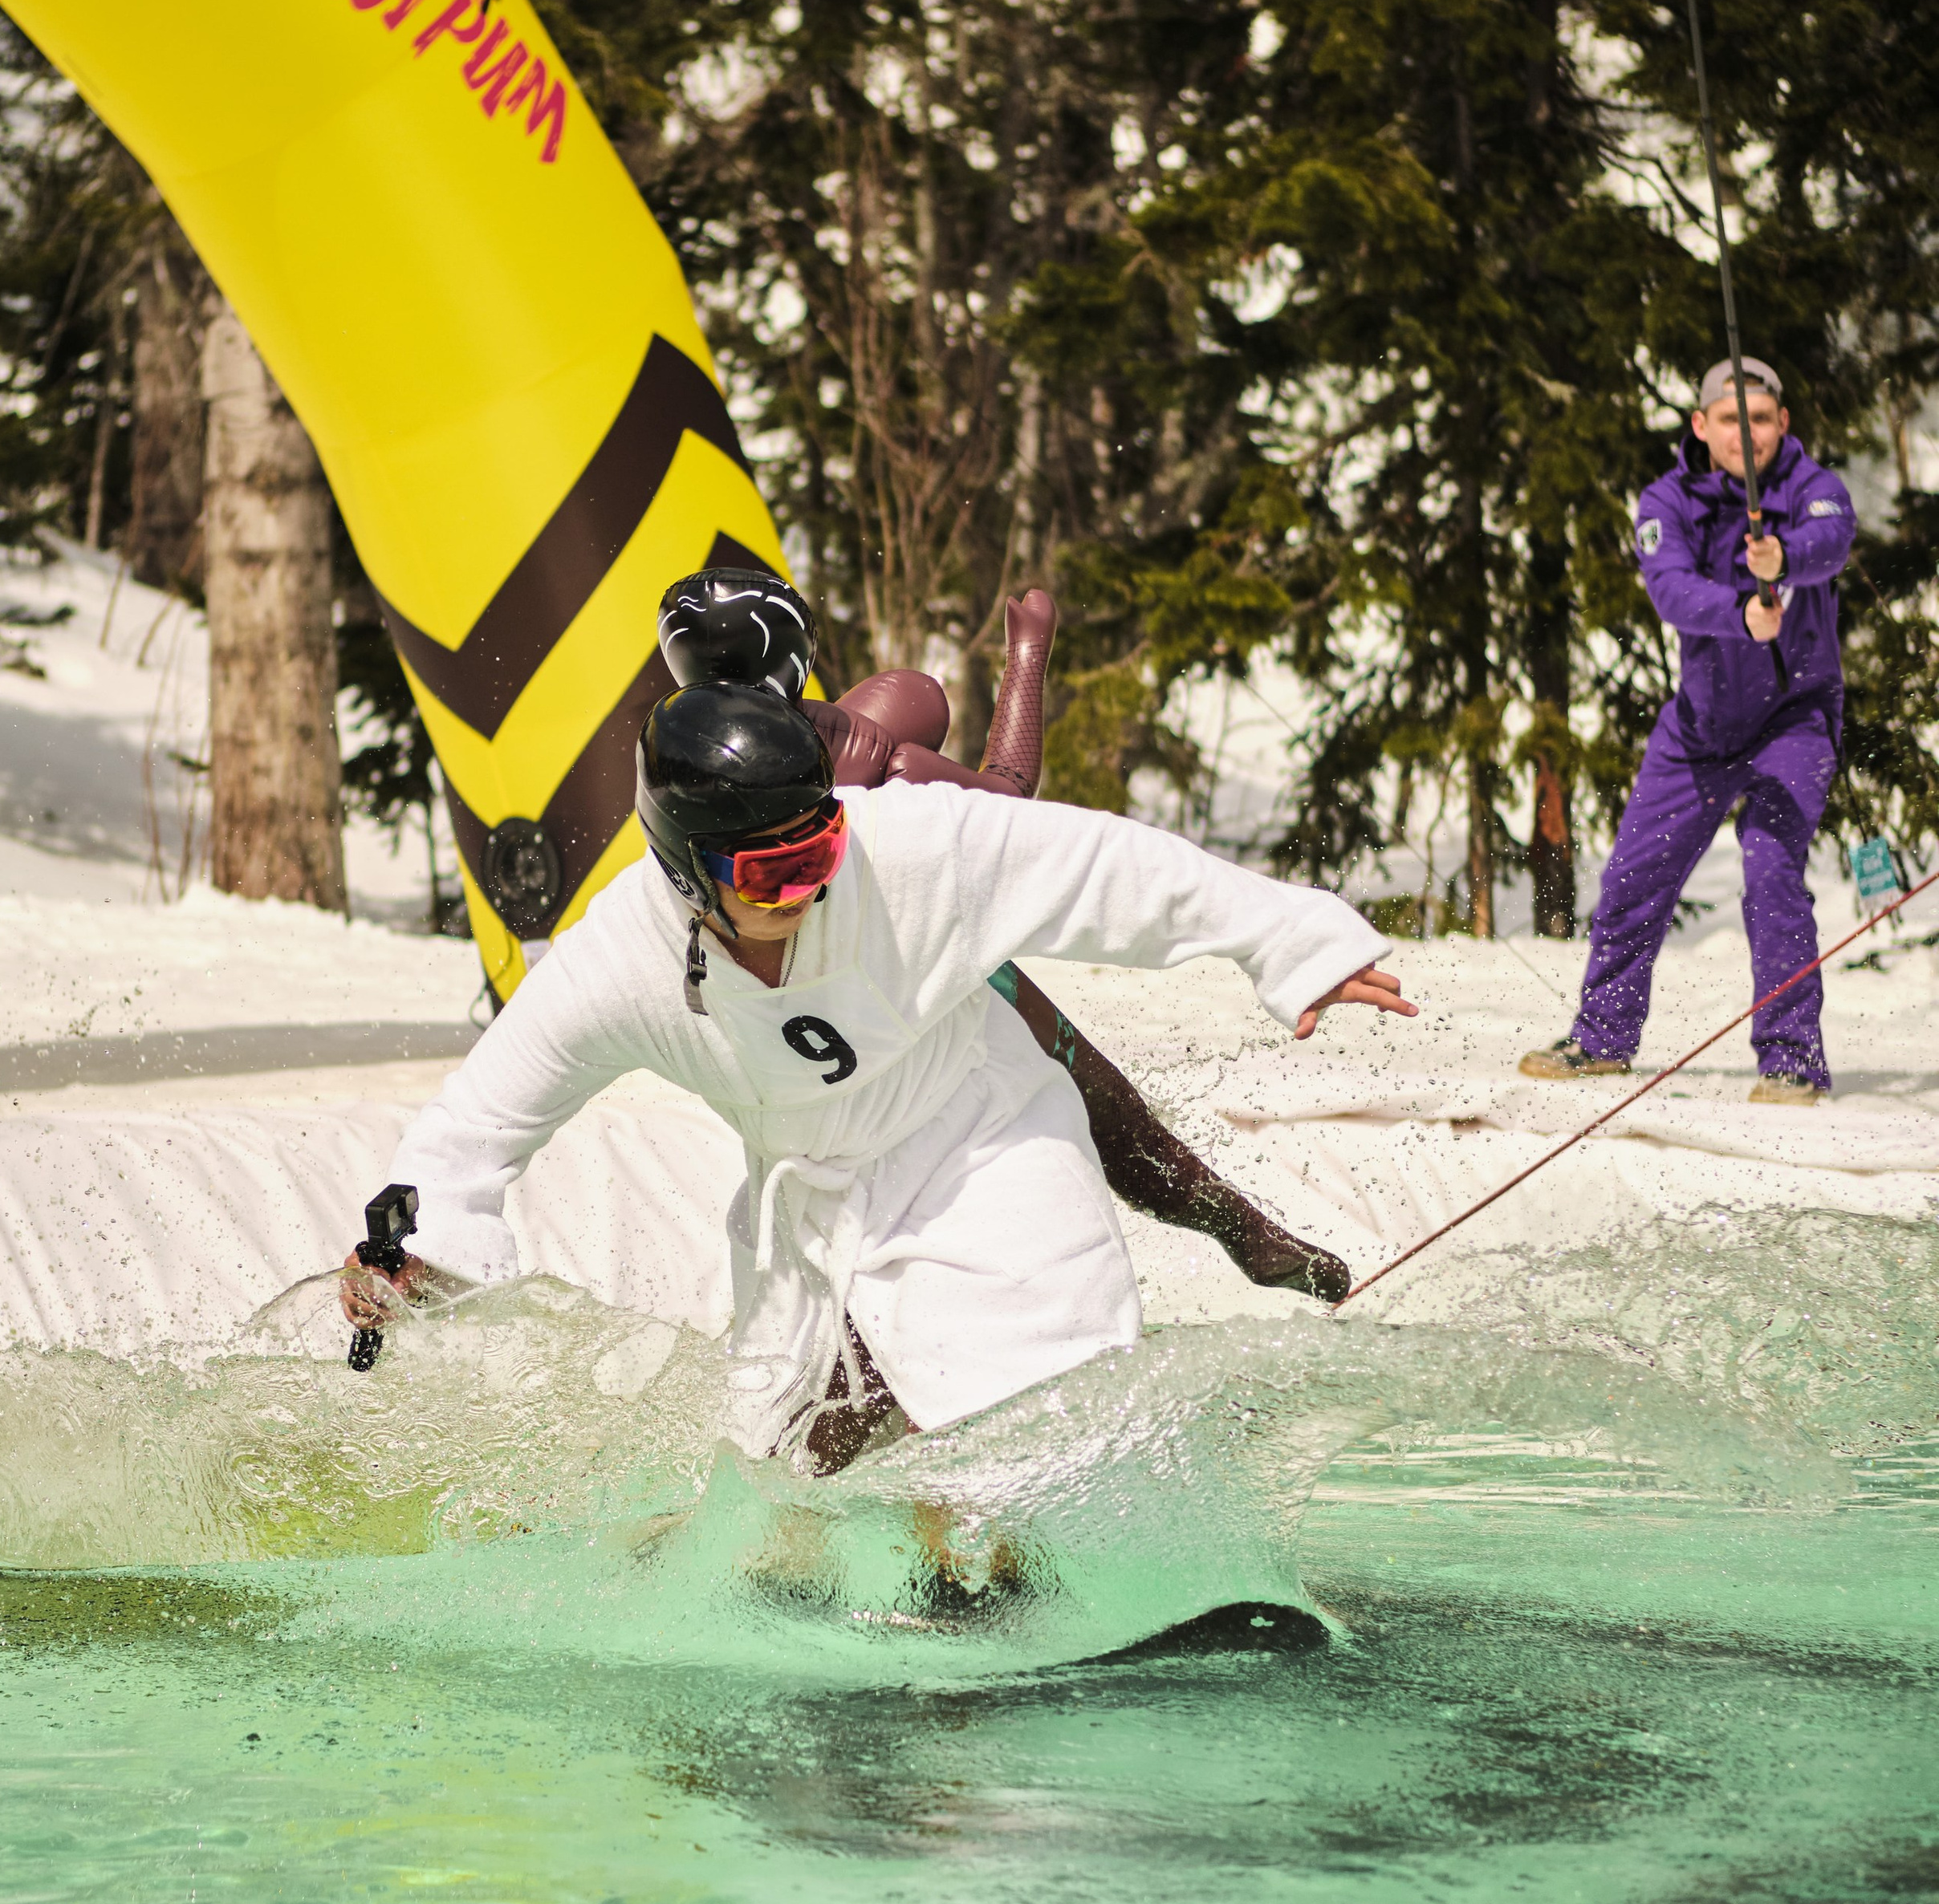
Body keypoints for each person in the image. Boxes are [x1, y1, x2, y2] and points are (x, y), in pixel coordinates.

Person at [346, 684, 1415, 1476]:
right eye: (776, 875)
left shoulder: (912, 850)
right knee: (781, 1479)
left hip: (980, 1138)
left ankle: (1021, 1574)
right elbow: (472, 1129)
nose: (815, 885)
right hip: (810, 1202)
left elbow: (1120, 870)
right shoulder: (615, 963)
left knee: (1035, 1418)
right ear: (685, 871)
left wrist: (1298, 942)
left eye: (821, 850)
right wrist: (398, 1247)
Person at [657, 564, 1350, 1299]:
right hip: (916, 970)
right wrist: (1027, 659)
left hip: (761, 1005)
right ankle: (1240, 1229)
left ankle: (1238, 1232)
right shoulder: (873, 756)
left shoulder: (673, 763)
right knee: (1097, 1109)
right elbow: (1011, 796)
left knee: (845, 1202)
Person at [1522, 357, 1854, 1102]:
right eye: (1731, 419)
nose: (1747, 433)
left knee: (1770, 867)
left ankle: (1791, 1059)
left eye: (1761, 418)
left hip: (1795, 720)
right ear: (1703, 425)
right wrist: (1742, 614)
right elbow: (1670, 590)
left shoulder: (1814, 490)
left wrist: (1787, 559)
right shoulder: (1664, 500)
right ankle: (1602, 1038)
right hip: (1699, 727)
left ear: (1783, 425)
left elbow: (1832, 540)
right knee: (1634, 874)